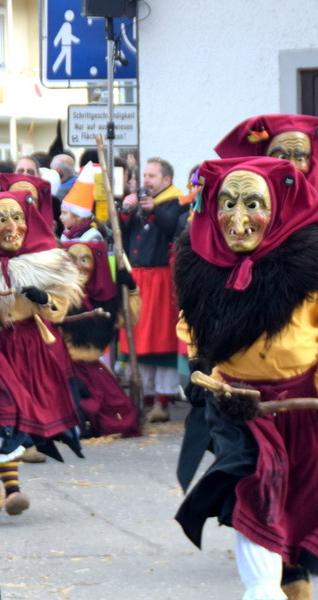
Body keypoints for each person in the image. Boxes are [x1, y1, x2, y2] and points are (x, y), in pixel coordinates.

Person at [174, 156, 318, 600]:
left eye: (253, 204)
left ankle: (295, 569)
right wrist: (197, 362)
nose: (238, 217)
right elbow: (191, 322)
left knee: (309, 494)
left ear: (278, 208)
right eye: (228, 203)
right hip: (240, 402)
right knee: (255, 485)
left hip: (306, 396)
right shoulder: (201, 263)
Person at [0, 190, 84, 515]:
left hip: (31, 347)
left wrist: (43, 298)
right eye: (1, 220)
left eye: (17, 218)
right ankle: (10, 490)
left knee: (21, 415)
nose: (11, 226)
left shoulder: (45, 261)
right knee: (3, 411)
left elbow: (58, 309)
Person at [119, 157, 189, 422]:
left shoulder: (177, 202)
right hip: (137, 278)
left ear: (166, 181)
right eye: (145, 175)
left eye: (152, 176)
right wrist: (125, 212)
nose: (146, 180)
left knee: (160, 339)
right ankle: (145, 397)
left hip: (161, 279)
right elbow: (121, 235)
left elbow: (173, 226)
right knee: (138, 340)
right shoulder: (137, 201)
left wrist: (153, 210)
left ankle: (163, 400)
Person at [61, 239, 140, 438]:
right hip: (63, 369)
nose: (79, 266)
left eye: (85, 260)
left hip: (93, 368)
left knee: (121, 414)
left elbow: (128, 320)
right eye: (72, 260)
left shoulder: (106, 298)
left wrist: (130, 289)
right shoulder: (58, 294)